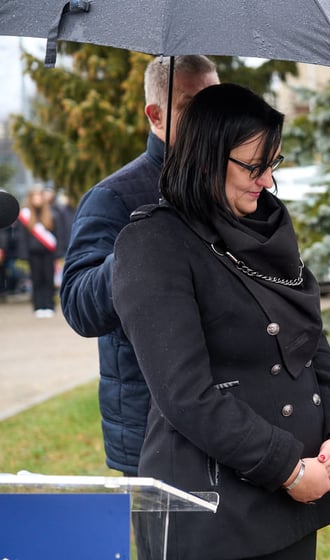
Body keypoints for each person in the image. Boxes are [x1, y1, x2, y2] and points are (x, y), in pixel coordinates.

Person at [111, 82, 330, 559]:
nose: (267, 180)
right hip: (210, 509)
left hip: (289, 502)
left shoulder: (264, 228)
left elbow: (308, 338)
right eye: (254, 166)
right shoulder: (154, 243)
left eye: (273, 164)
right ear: (206, 157)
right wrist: (286, 468)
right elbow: (185, 395)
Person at [60, 55, 219, 476]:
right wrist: (144, 246)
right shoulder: (114, 196)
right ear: (156, 114)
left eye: (215, 102)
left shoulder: (230, 186)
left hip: (230, 418)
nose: (208, 118)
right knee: (165, 546)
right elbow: (78, 306)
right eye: (191, 105)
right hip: (151, 429)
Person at [18, 184, 60, 317]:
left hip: (48, 252)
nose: (37, 199)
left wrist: (58, 253)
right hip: (33, 253)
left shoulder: (52, 214)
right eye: (34, 196)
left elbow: (58, 234)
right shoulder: (26, 215)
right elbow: (22, 237)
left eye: (39, 196)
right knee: (36, 280)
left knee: (48, 278)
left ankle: (49, 305)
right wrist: (24, 253)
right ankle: (38, 306)